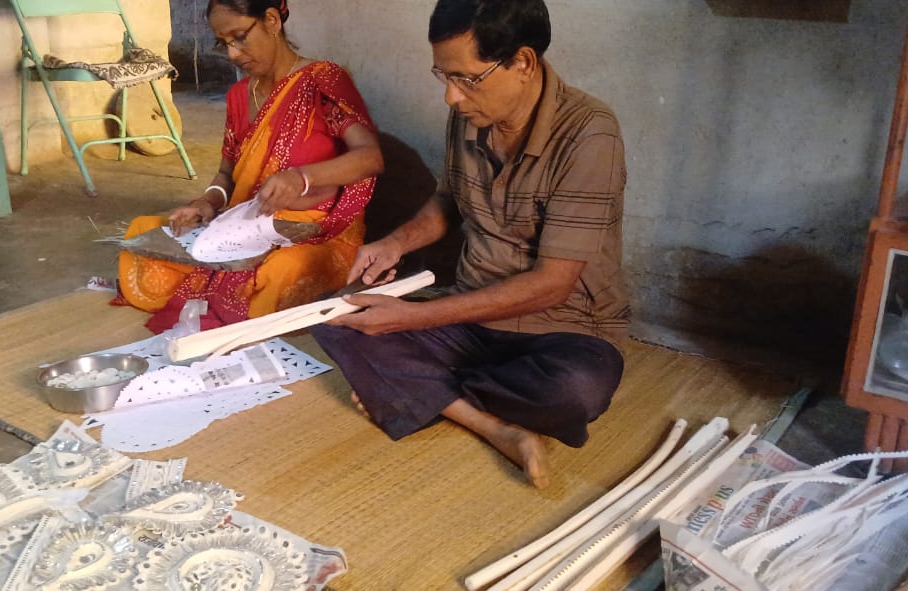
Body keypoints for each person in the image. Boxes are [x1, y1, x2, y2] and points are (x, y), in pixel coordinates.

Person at [310, 0, 630, 490]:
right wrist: (395, 243)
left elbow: (553, 285)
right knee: (334, 315)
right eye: (444, 77)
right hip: (470, 319)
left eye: (466, 79)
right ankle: (496, 426)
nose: (451, 98)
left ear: (522, 63)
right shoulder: (471, 113)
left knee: (576, 391)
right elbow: (449, 200)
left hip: (561, 328)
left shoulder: (590, 133)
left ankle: (420, 391)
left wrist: (412, 319)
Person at [116, 0, 384, 333]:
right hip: (241, 226)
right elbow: (226, 174)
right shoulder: (240, 95)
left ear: (271, 20)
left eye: (239, 36)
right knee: (145, 231)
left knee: (283, 271)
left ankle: (237, 290)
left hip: (309, 233)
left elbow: (370, 157)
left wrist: (302, 178)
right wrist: (206, 202)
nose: (232, 54)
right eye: (222, 42)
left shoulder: (321, 80)